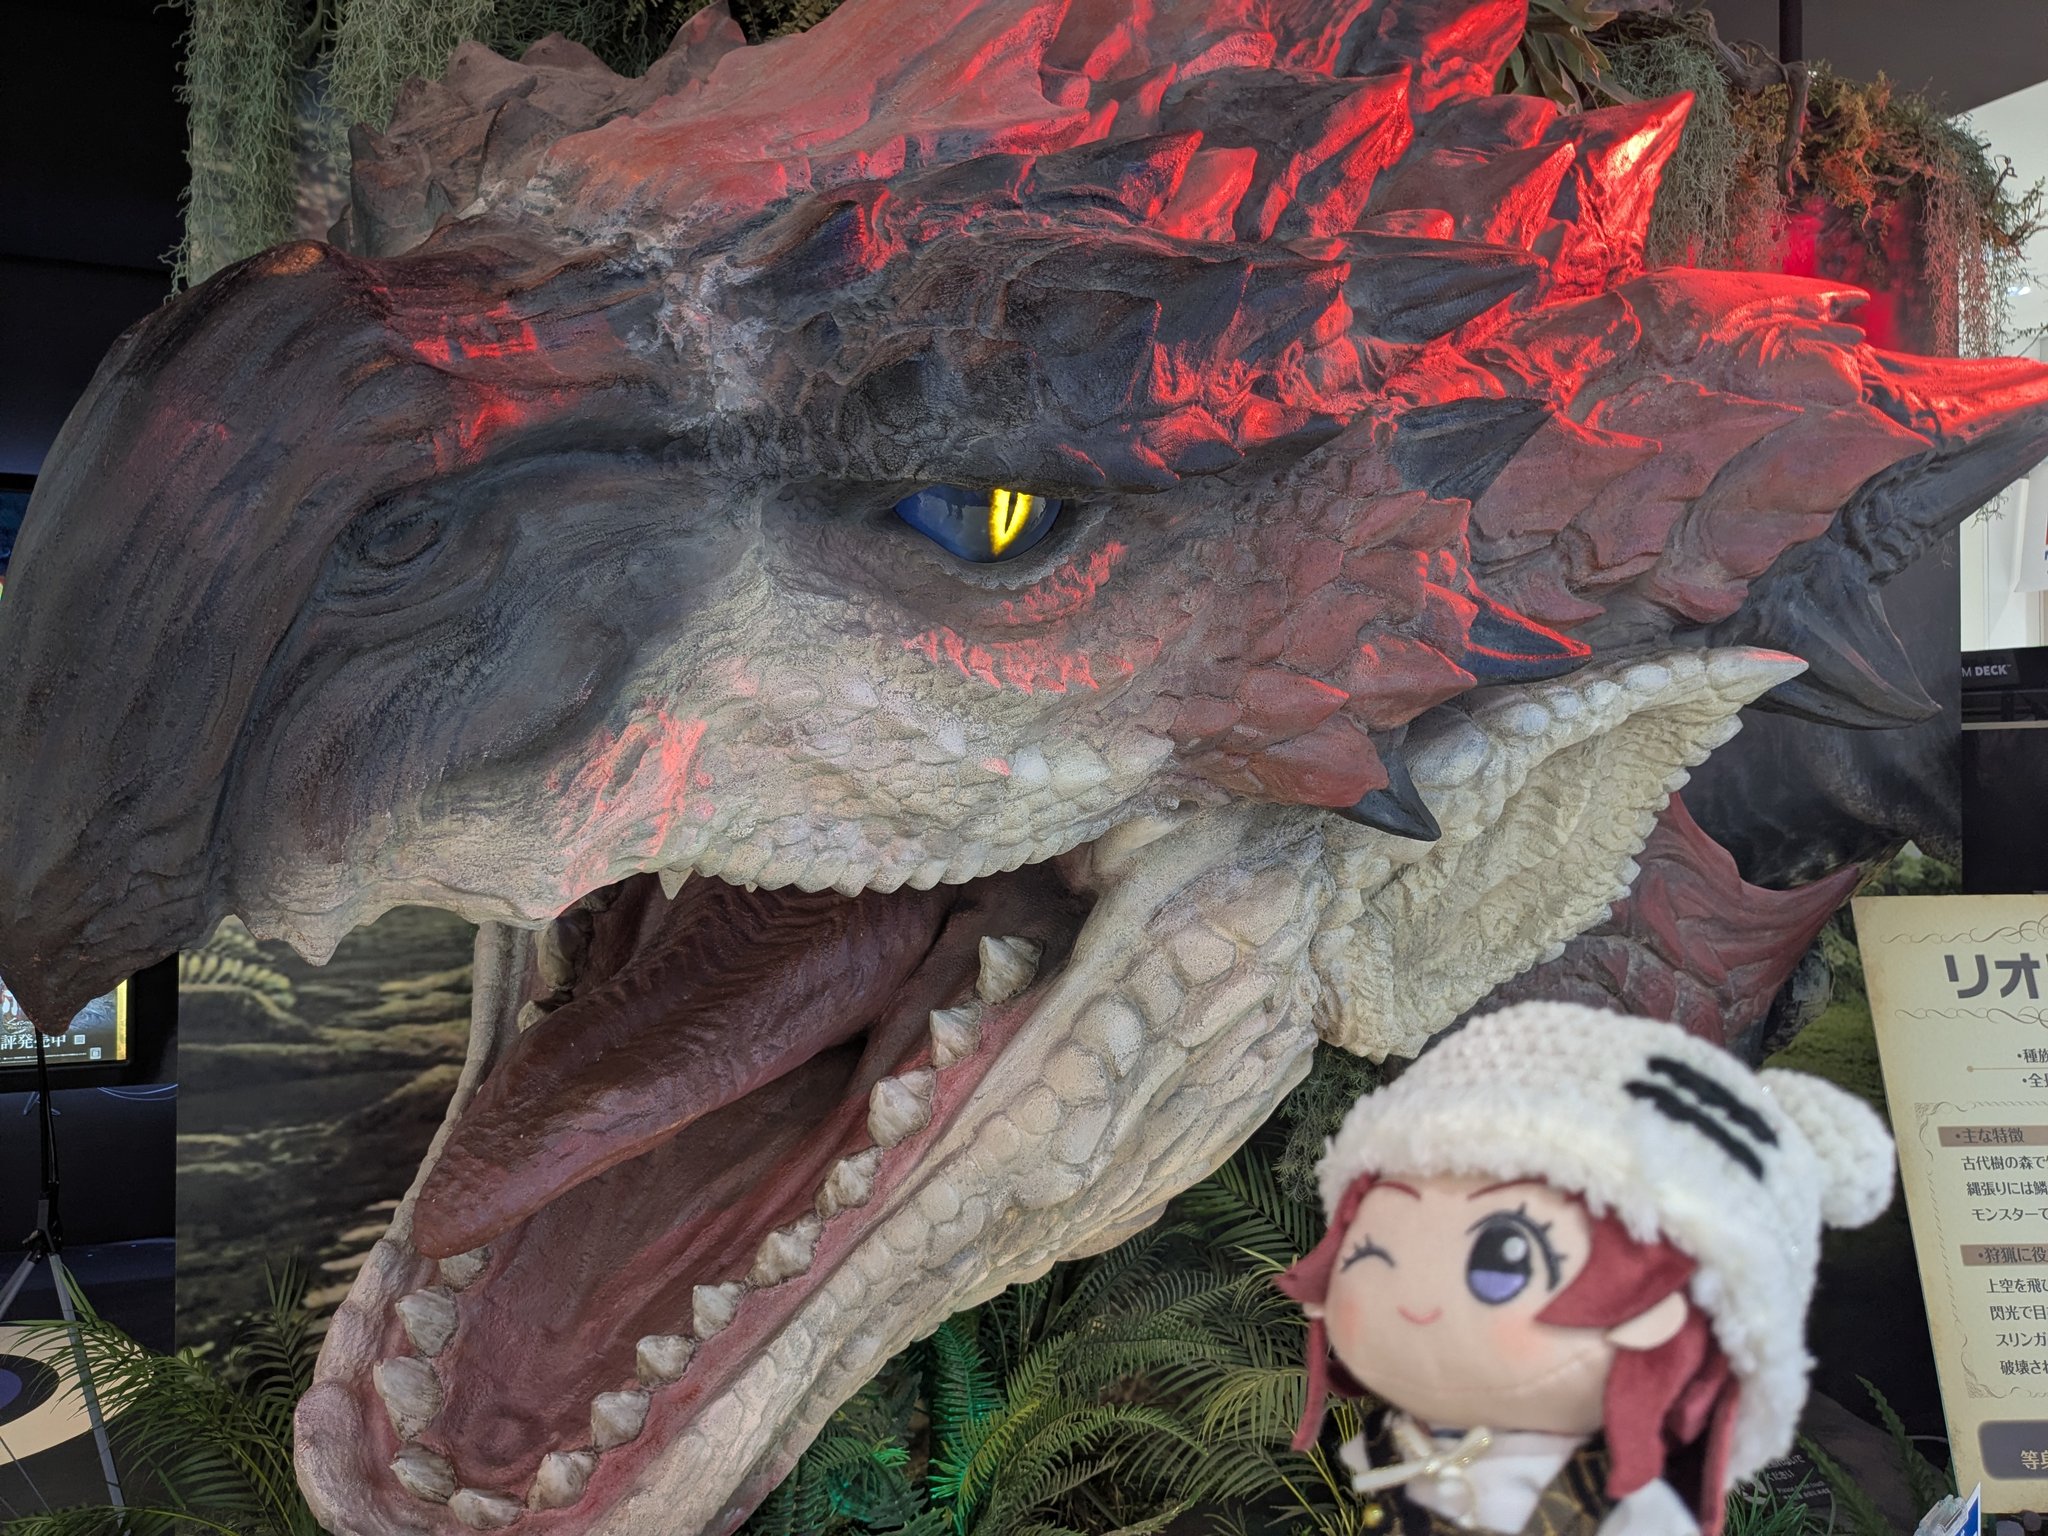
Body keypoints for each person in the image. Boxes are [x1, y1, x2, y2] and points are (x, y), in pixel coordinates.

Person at [1279, 1002, 1896, 1536]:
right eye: (1373, 1250)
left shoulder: (1617, 1501)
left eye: (1503, 1257)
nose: (1413, 1298)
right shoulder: (1403, 1438)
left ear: (1655, 1313)